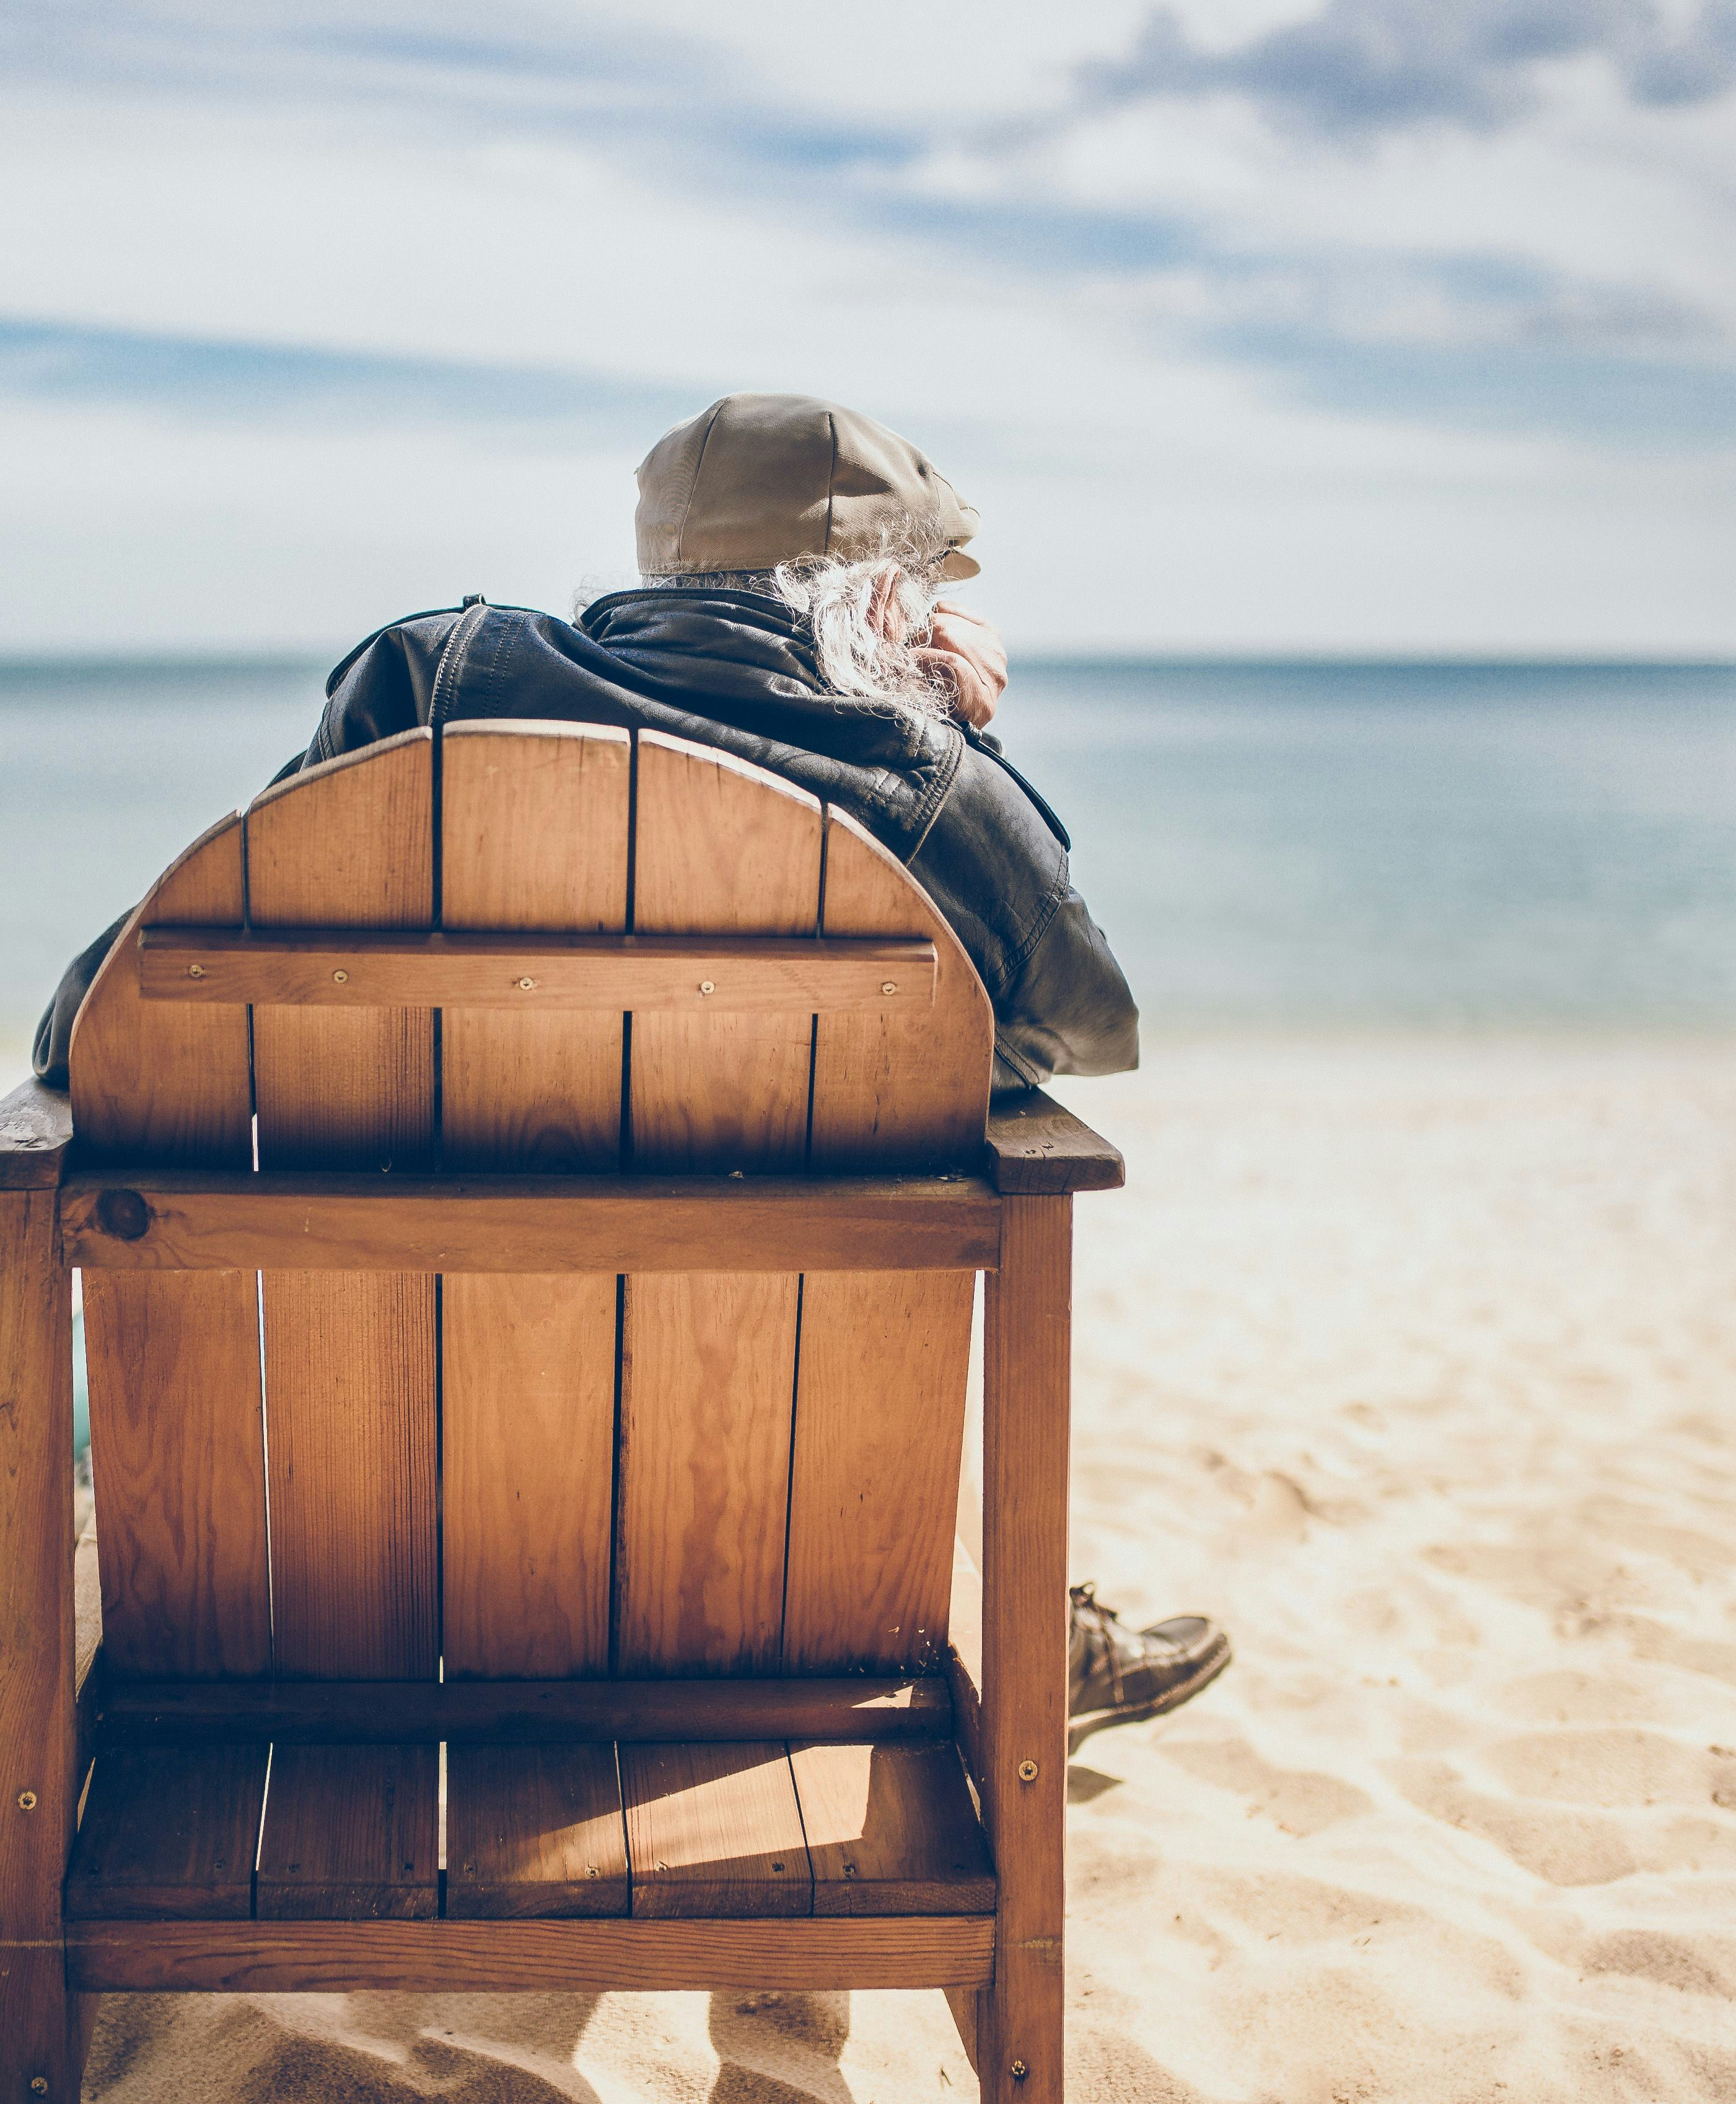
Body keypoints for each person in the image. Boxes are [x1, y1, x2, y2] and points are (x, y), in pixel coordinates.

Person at [35, 391, 1231, 1735]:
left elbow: (89, 1028)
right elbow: (1087, 1033)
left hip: (336, 1565)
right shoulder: (928, 788)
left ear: (661, 562)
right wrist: (957, 754)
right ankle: (1013, 1650)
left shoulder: (426, 689)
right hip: (765, 1569)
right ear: (883, 600)